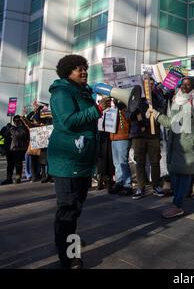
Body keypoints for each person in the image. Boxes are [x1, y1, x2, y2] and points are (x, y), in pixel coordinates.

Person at [48, 54, 110, 269]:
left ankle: (68, 238)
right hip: (68, 159)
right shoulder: (62, 92)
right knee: (68, 208)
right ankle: (68, 255)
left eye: (85, 68)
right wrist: (98, 109)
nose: (84, 72)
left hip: (80, 158)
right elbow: (68, 122)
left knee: (75, 207)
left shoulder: (81, 91)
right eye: (78, 69)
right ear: (68, 72)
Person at [152, 77, 194, 218]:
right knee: (176, 176)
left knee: (183, 176)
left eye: (188, 84)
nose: (184, 86)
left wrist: (157, 115)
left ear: (192, 87)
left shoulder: (193, 102)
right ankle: (176, 204)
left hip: (187, 145)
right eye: (183, 84)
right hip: (176, 144)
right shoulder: (177, 100)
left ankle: (178, 205)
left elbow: (172, 122)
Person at [109, 100, 133, 196]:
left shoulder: (125, 106)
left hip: (123, 137)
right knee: (117, 162)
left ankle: (127, 185)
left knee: (123, 162)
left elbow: (129, 119)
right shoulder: (112, 106)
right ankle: (119, 182)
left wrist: (122, 109)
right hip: (113, 136)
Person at [9, 115, 30, 184]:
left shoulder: (22, 128)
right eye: (14, 121)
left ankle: (18, 178)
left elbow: (18, 135)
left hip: (19, 148)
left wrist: (13, 131)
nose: (15, 122)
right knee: (13, 164)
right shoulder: (15, 127)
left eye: (16, 121)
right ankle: (10, 178)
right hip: (14, 148)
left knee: (18, 164)